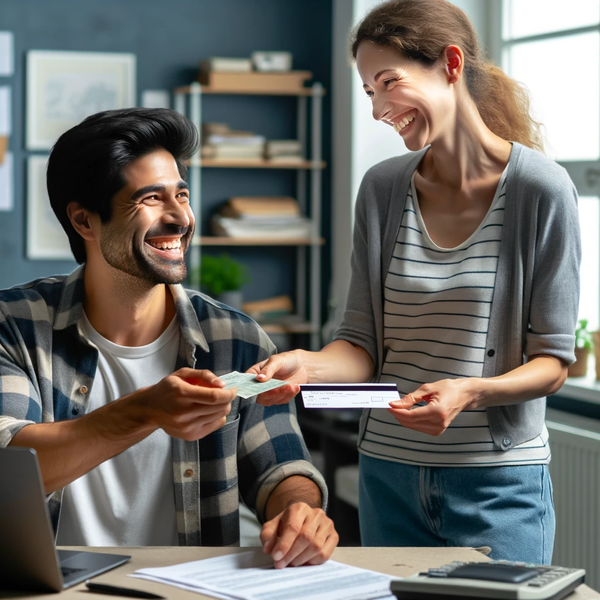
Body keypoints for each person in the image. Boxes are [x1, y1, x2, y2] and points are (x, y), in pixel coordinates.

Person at [249, 0, 581, 564]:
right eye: (368, 92)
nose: (379, 108)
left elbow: (552, 361)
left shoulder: (541, 191)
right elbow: (360, 347)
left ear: (450, 64)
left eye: (388, 83)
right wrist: (307, 365)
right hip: (389, 476)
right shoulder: (381, 190)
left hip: (498, 483)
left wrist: (470, 390)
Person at [0, 107, 338, 568]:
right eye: (151, 199)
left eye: (181, 194)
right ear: (84, 221)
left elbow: (281, 466)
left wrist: (300, 511)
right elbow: (9, 467)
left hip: (192, 589)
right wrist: (146, 411)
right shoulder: (14, 326)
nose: (180, 217)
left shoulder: (235, 338)